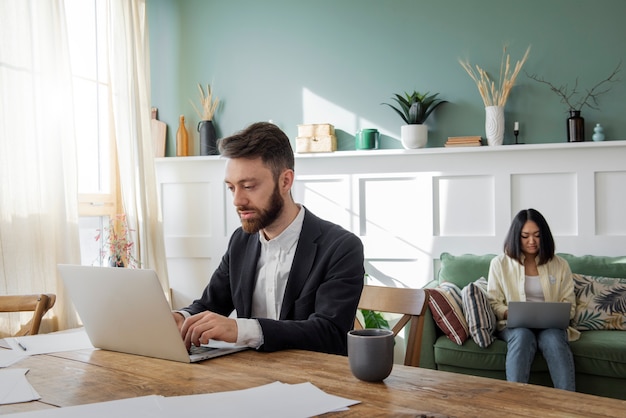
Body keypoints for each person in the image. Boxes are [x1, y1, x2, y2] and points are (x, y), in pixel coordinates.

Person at [172, 121, 365, 355]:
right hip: (250, 378)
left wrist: (241, 329)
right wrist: (181, 317)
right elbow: (209, 305)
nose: (237, 201)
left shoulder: (341, 247)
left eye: (249, 186)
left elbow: (329, 333)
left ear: (285, 181)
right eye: (232, 188)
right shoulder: (240, 241)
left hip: (313, 382)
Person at [487, 208, 579, 391]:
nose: (532, 241)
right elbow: (493, 302)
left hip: (550, 326)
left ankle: (569, 404)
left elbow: (569, 304)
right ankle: (516, 403)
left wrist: (559, 314)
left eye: (537, 235)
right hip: (514, 326)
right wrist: (509, 312)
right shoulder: (499, 264)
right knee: (522, 336)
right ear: (516, 236)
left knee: (553, 339)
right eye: (525, 236)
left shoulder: (560, 265)